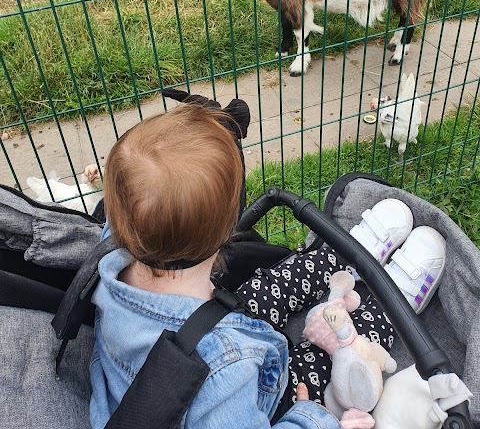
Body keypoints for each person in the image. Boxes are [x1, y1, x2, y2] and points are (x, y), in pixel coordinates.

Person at [90, 102, 446, 428]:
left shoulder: (113, 255)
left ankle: (344, 257)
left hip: (188, 326)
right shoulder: (221, 376)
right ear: (228, 228)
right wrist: (309, 418)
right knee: (320, 366)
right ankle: (390, 306)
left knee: (266, 286)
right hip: (254, 393)